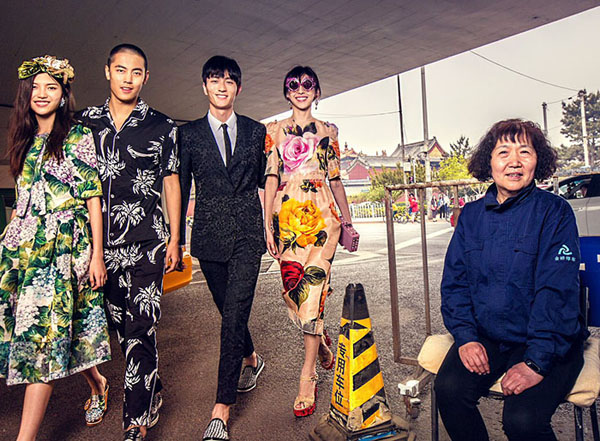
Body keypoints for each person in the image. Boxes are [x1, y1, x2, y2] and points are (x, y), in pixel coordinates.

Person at [435, 119, 586, 441]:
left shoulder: (555, 212)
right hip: (490, 335)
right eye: (503, 152)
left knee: (522, 421)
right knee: (448, 390)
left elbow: (556, 293)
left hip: (547, 340)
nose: (514, 161)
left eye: (524, 152)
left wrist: (536, 363)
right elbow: (455, 284)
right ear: (489, 162)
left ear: (537, 162)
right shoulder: (471, 216)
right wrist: (466, 337)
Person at [0, 55, 110, 441]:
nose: (42, 93)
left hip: (65, 248)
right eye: (35, 87)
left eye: (52, 87)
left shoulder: (77, 137)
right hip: (25, 250)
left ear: (64, 95)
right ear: (25, 95)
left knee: (43, 339)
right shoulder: (24, 140)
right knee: (60, 332)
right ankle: (97, 382)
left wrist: (97, 255)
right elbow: (22, 201)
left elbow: (93, 197)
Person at [77, 44, 181, 441]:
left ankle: (134, 423)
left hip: (146, 242)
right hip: (100, 248)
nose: (128, 78)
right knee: (122, 329)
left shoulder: (162, 126)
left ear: (145, 78)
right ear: (108, 71)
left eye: (136, 72)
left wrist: (175, 238)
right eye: (121, 70)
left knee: (141, 326)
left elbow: (171, 181)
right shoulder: (84, 123)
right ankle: (151, 387)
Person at [179, 55, 267, 441]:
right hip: (209, 238)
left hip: (248, 235)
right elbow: (181, 188)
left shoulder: (256, 131)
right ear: (205, 86)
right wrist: (176, 240)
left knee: (232, 316)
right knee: (228, 311)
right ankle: (251, 357)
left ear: (238, 88)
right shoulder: (188, 134)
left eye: (230, 80)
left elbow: (268, 179)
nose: (222, 86)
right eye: (215, 79)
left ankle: (221, 408)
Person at [263, 66, 355, 417]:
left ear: (317, 91)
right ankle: (322, 347)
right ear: (286, 92)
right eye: (294, 85)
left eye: (307, 84)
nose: (300, 90)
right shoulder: (273, 131)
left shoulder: (329, 132)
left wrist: (347, 222)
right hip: (286, 220)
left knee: (314, 293)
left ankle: (308, 375)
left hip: (323, 221)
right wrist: (266, 226)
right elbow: (271, 178)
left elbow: (335, 180)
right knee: (294, 293)